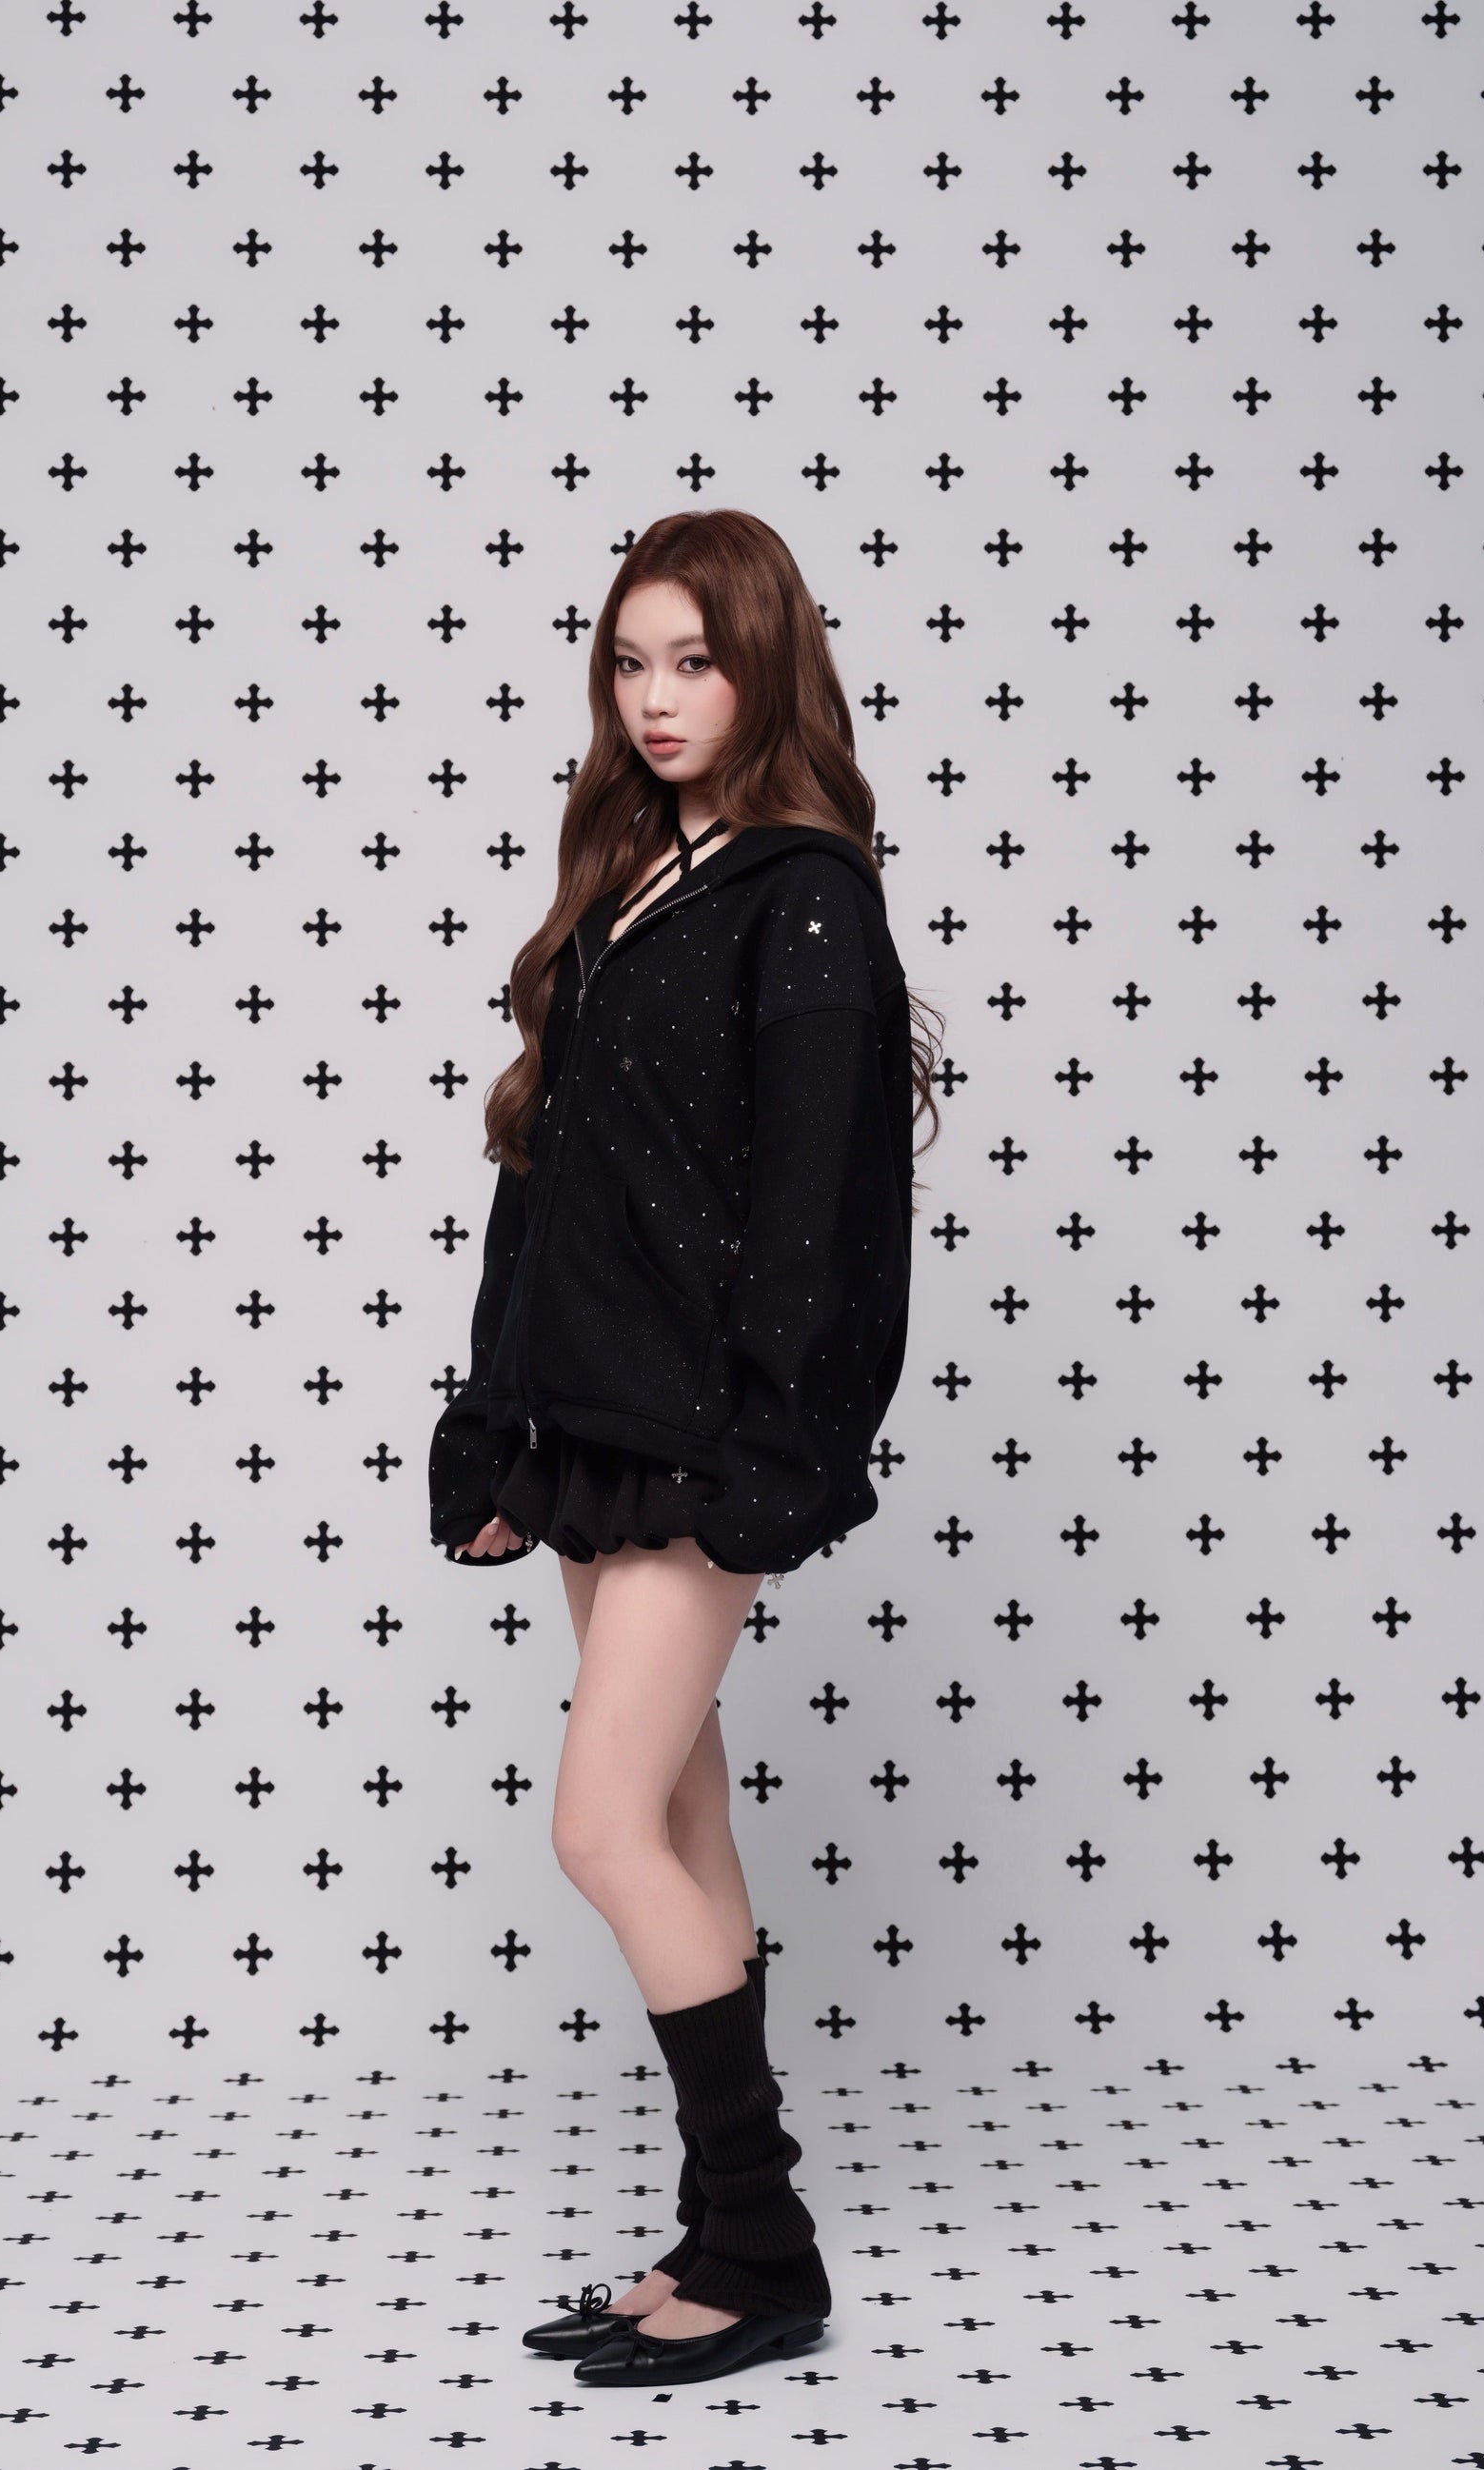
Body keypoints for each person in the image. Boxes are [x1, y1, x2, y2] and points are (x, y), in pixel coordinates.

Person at [428, 507, 944, 2388]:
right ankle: (722, 2237)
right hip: (593, 1417)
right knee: (680, 1821)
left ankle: (765, 2244)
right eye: (630, 663)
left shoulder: (804, 892)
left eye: (696, 662)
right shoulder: (633, 873)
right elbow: (546, 1184)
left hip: (701, 1434)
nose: (656, 699)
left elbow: (825, 1209)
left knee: (597, 1826)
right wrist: (493, 1425)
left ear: (766, 668)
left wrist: (774, 1451)